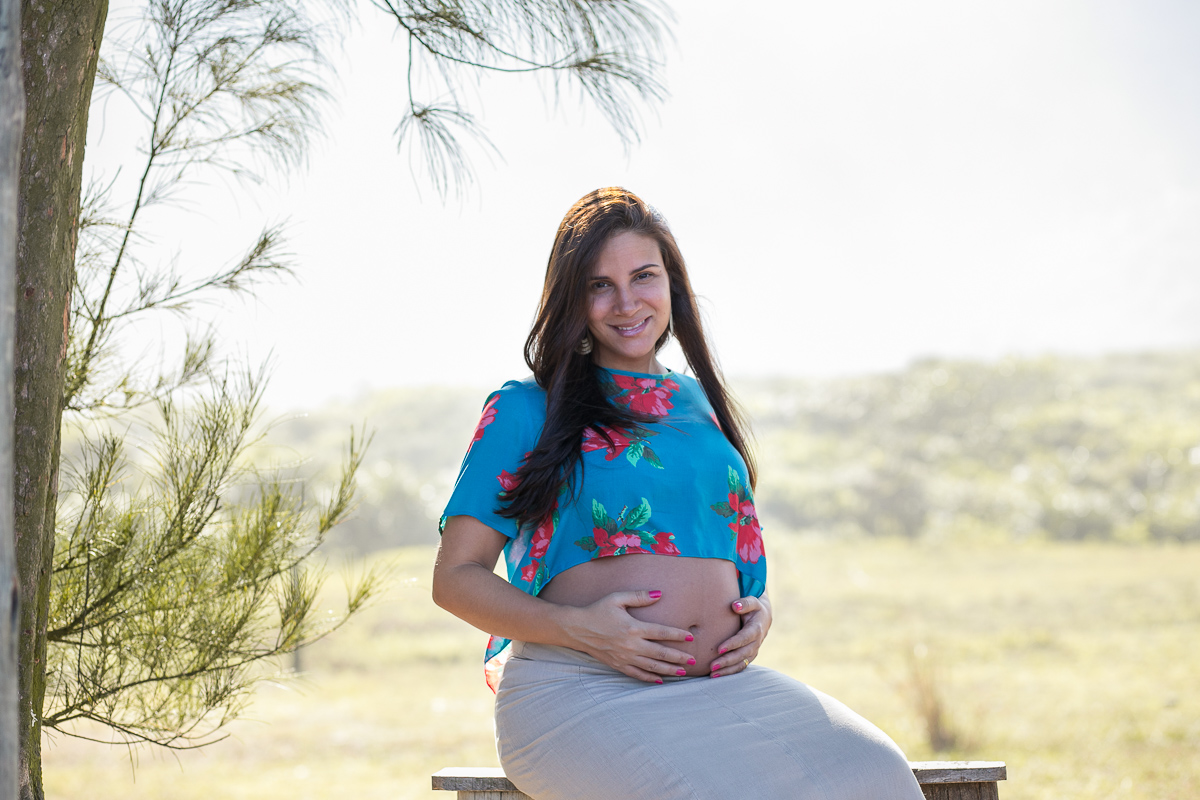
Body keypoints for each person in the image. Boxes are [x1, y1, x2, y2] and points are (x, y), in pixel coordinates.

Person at [432, 188, 924, 799]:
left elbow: (720, 545)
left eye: (644, 276)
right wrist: (582, 628)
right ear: (572, 300)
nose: (626, 302)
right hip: (579, 691)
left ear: (672, 285)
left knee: (877, 776)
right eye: (598, 285)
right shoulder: (525, 408)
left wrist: (757, 610)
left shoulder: (697, 406)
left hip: (719, 690)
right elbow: (454, 578)